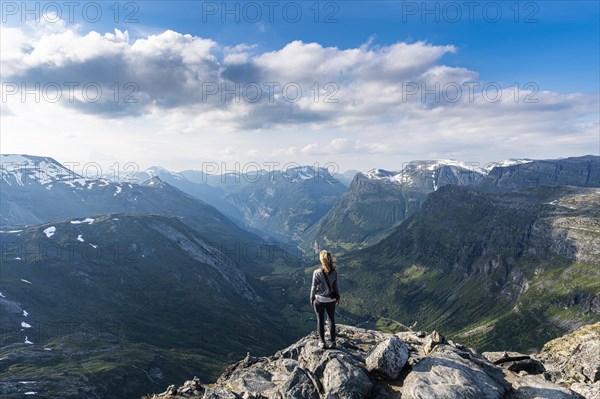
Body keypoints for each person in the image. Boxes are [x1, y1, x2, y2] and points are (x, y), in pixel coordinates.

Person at [310, 250, 340, 349]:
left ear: (321, 260)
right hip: (331, 300)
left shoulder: (316, 272)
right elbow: (336, 287)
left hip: (319, 300)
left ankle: (322, 342)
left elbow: (314, 286)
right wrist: (337, 297)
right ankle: (332, 341)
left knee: (320, 320)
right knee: (331, 319)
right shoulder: (334, 272)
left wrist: (312, 298)